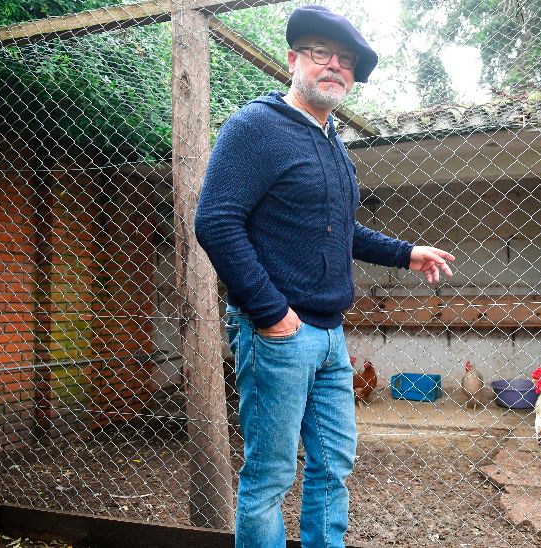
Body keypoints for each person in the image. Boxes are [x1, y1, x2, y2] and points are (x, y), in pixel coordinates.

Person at [194, 5, 455, 547]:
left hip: (331, 334)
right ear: (293, 60)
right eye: (320, 54)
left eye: (346, 61)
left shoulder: (334, 142)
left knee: (333, 466)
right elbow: (215, 221)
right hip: (277, 334)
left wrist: (407, 252)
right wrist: (270, 313)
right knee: (270, 477)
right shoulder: (255, 127)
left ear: (353, 77)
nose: (334, 66)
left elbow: (339, 229)